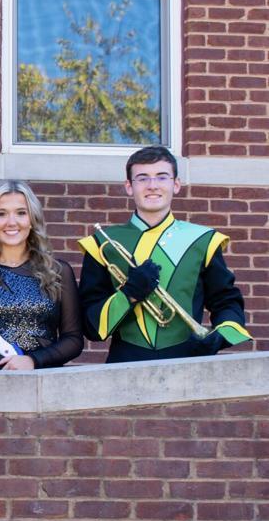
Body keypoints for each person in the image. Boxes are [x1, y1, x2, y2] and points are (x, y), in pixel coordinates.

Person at [78, 145, 250, 362]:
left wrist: (220, 336)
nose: (152, 186)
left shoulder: (202, 240)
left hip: (187, 359)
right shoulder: (103, 242)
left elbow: (227, 301)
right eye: (142, 178)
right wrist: (129, 294)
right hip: (124, 362)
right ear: (129, 187)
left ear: (176, 184)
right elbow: (90, 327)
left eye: (162, 177)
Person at [0, 180, 83, 370]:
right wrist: (10, 367)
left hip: (45, 379)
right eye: (1, 214)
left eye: (21, 213)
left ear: (32, 220)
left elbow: (73, 338)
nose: (12, 222)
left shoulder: (58, 271)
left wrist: (33, 361)